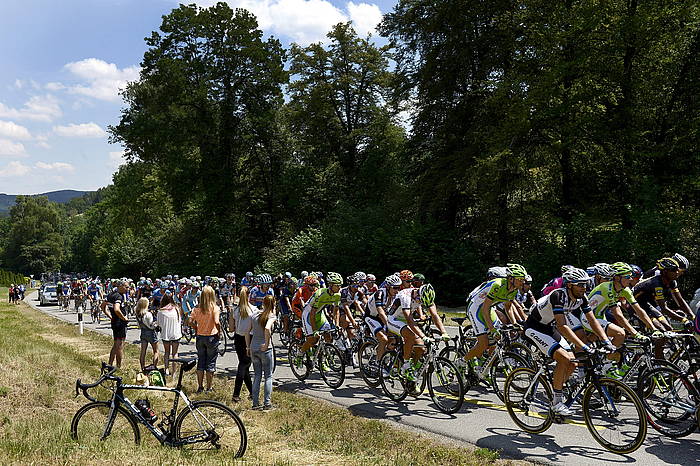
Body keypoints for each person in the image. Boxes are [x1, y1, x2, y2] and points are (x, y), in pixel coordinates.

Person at [188, 285, 221, 393]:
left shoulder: (197, 308)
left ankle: (200, 386)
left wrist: (196, 328)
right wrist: (219, 332)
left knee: (201, 361)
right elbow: (217, 322)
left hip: (200, 336)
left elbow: (190, 321)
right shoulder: (214, 308)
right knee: (210, 362)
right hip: (211, 336)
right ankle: (209, 387)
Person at [247, 295, 277, 410]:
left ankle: (255, 403)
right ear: (273, 304)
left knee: (257, 375)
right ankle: (267, 403)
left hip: (254, 347)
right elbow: (267, 328)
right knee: (268, 376)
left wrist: (248, 347)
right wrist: (266, 343)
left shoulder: (254, 314)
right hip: (265, 349)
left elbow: (247, 331)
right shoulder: (271, 316)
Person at [230, 286, 254, 403]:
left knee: (245, 366)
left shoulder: (235, 310)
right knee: (244, 366)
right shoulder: (253, 309)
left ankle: (252, 392)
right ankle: (236, 394)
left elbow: (230, 328)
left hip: (238, 338)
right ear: (249, 295)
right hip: (249, 338)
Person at [104, 279, 129, 368]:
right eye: (126, 287)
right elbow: (116, 309)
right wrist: (124, 318)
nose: (128, 288)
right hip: (120, 322)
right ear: (120, 286)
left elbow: (103, 306)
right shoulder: (119, 296)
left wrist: (109, 316)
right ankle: (118, 366)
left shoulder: (110, 295)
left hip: (114, 321)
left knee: (115, 344)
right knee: (119, 346)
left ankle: (110, 364)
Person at [157, 293, 182, 376]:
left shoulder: (161, 311)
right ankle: (174, 372)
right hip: (176, 334)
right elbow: (179, 321)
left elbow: (159, 324)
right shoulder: (177, 309)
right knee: (175, 353)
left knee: (167, 352)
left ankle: (166, 369)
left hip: (166, 334)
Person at [134, 297, 160, 372]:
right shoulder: (148, 314)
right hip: (151, 333)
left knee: (143, 351)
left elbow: (139, 326)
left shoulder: (138, 314)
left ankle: (142, 367)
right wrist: (156, 324)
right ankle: (154, 366)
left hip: (143, 332)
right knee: (156, 350)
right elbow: (151, 325)